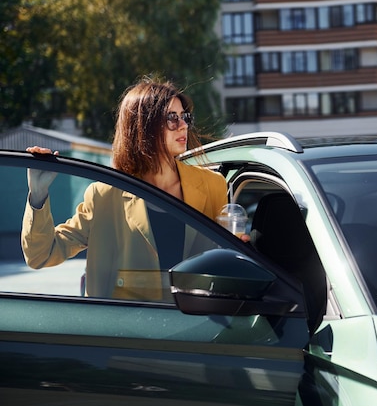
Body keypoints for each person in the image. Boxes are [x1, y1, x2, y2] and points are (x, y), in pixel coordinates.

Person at [21, 77, 229, 302]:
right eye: (172, 118)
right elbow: (40, 255)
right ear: (143, 126)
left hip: (200, 328)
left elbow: (230, 259)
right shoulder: (105, 194)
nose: (183, 125)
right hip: (127, 330)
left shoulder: (213, 185)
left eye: (185, 117)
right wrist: (38, 195)